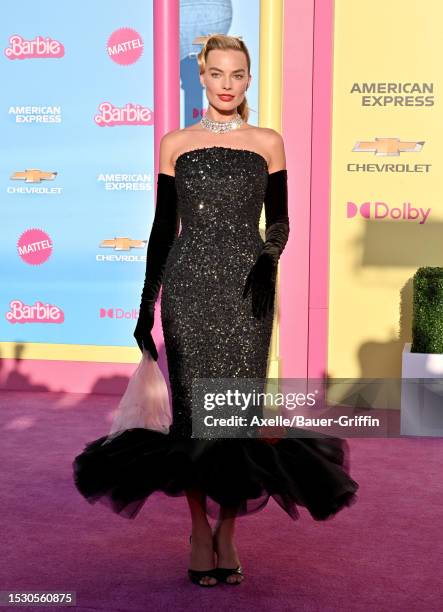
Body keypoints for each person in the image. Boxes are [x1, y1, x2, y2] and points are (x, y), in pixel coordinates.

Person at [73, 33, 359, 588]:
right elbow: (162, 230)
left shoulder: (269, 142)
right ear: (200, 77)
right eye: (217, 74)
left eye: (238, 75)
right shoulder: (174, 142)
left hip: (248, 293)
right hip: (188, 292)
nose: (227, 85)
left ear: (248, 80)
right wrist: (145, 305)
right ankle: (198, 530)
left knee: (235, 416)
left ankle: (228, 530)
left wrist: (268, 258)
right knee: (193, 419)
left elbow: (280, 220)